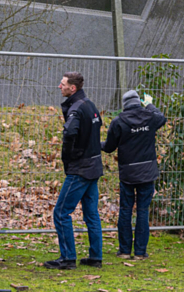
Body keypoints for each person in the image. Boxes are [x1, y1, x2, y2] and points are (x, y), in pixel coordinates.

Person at [45, 72, 104, 270]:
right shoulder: (90, 105)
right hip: (94, 166)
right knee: (91, 214)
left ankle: (68, 258)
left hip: (80, 169)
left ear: (73, 88)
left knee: (61, 212)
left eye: (62, 84)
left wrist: (69, 157)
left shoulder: (76, 109)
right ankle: (96, 257)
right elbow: (97, 128)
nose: (58, 87)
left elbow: (70, 133)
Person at [101, 89, 166, 259]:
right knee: (143, 211)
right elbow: (162, 118)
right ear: (139, 102)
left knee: (125, 210)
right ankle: (139, 252)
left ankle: (124, 250)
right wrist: (150, 104)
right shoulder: (150, 117)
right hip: (147, 172)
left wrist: (96, 143)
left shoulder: (118, 122)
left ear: (124, 105)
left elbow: (109, 147)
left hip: (128, 172)